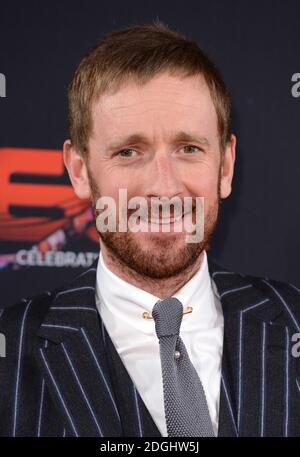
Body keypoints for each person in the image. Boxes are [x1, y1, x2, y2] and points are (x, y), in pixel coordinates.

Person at [1, 21, 300, 438]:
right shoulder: (9, 352)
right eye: (128, 152)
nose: (163, 187)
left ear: (226, 166)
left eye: (189, 149)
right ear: (79, 171)